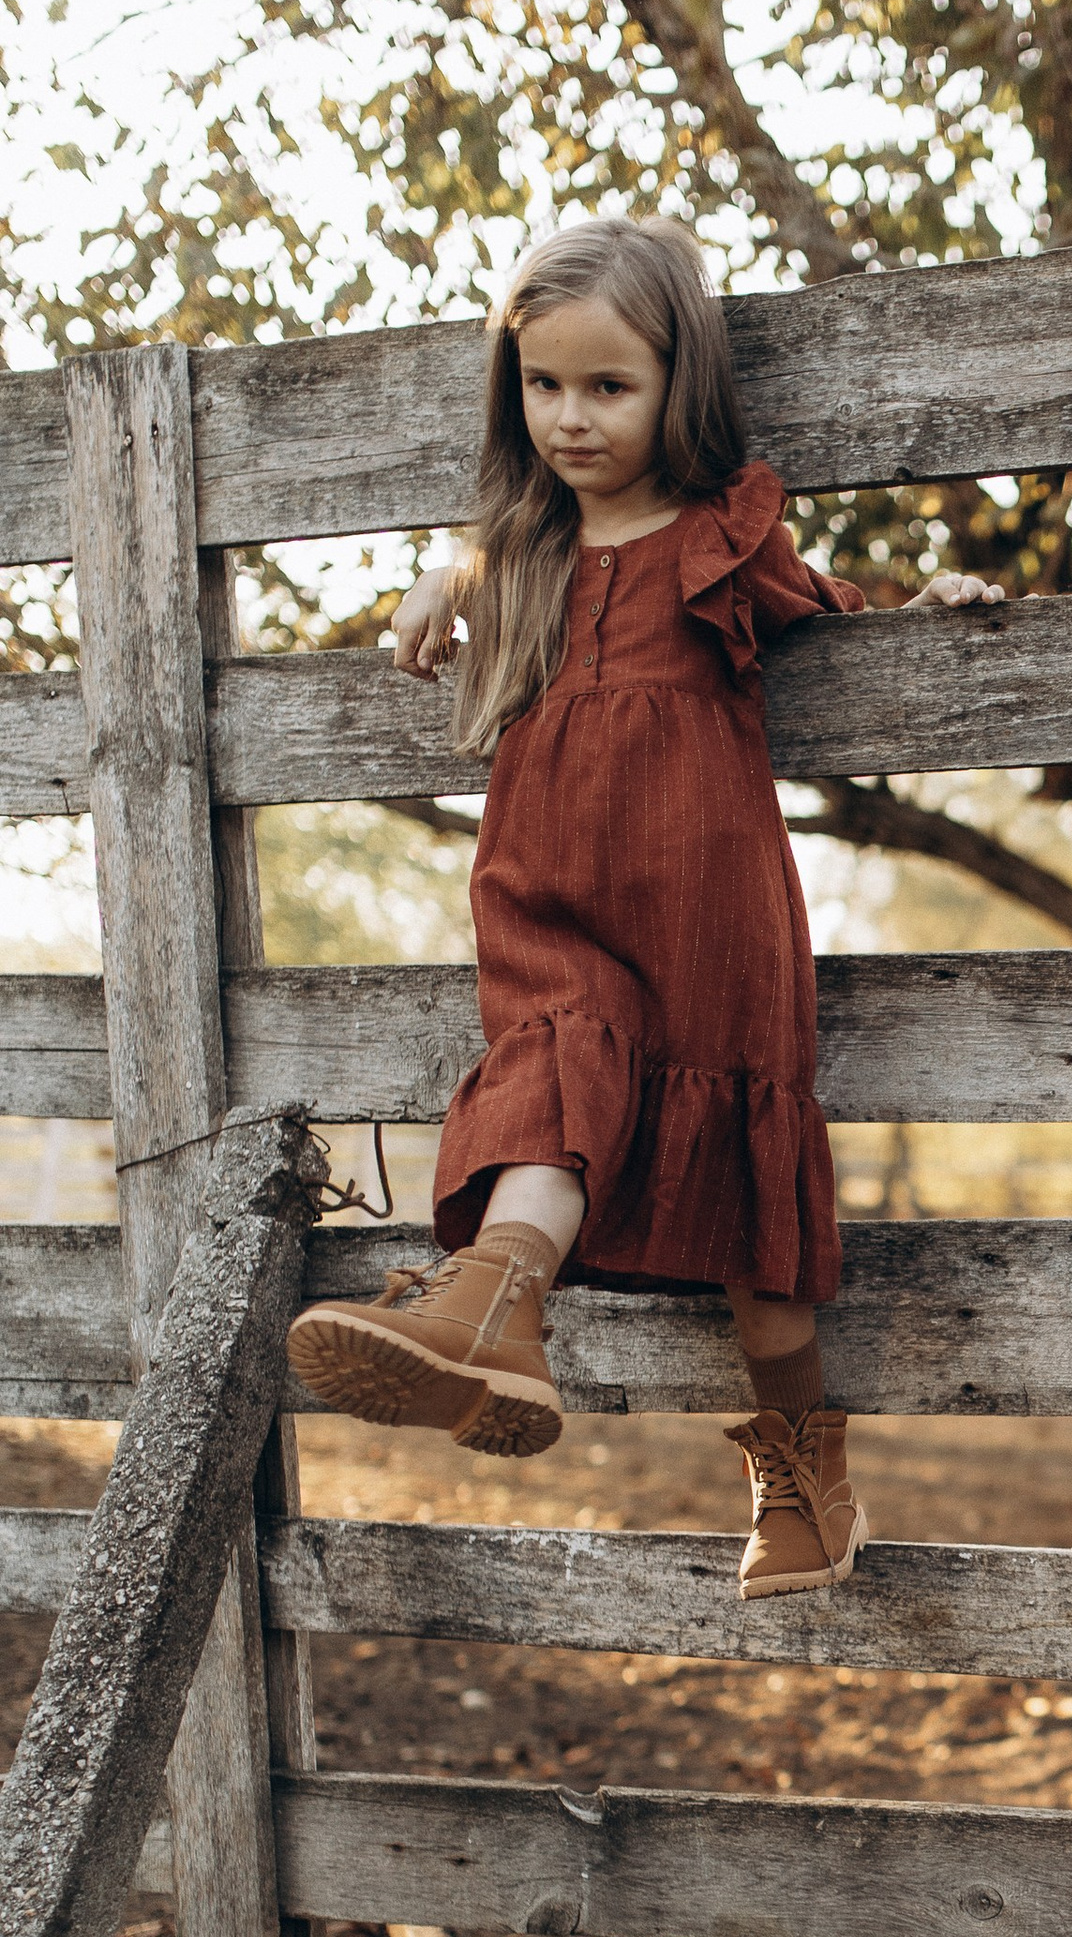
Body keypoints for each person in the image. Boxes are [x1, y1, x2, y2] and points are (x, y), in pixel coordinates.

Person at [285, 215, 1001, 1597]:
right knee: (548, 1088)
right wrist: (455, 567)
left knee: (751, 1227)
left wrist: (929, 604)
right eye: (543, 386)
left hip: (706, 912)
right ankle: (489, 1310)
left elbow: (832, 610)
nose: (571, 417)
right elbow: (491, 560)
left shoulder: (718, 540)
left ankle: (801, 1484)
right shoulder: (528, 558)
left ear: (680, 384)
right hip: (549, 899)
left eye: (609, 386)